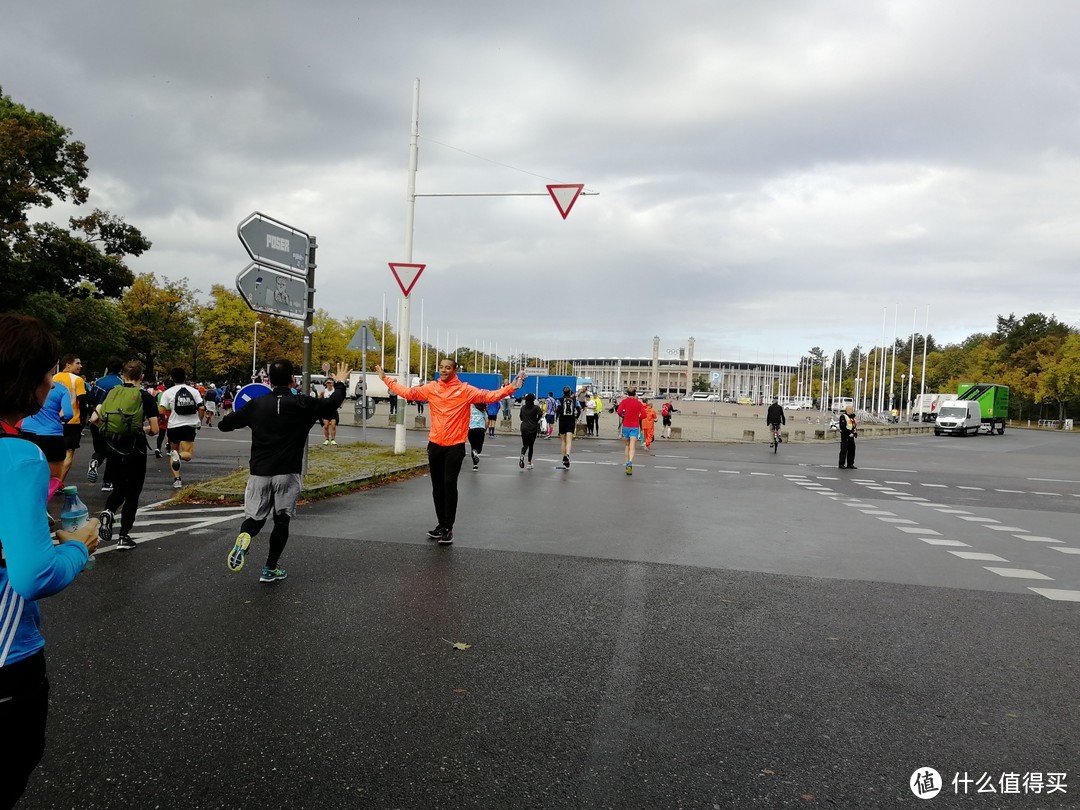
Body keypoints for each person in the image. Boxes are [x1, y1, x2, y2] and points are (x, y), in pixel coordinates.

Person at [0, 314, 99, 807]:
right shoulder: (17, 456)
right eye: (45, 372)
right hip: (6, 656)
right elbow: (33, 574)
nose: (49, 381)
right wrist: (79, 545)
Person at [220, 360, 351, 582]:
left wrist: (248, 418)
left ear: (268, 380)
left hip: (259, 472)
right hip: (287, 472)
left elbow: (225, 425)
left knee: (255, 518)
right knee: (281, 520)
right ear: (293, 379)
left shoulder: (257, 404)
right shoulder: (303, 403)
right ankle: (270, 568)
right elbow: (333, 403)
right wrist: (339, 383)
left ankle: (245, 535)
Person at [376, 358, 524, 545]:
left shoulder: (465, 390)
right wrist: (386, 379)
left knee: (448, 483)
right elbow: (409, 393)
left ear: (455, 370)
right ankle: (441, 525)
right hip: (435, 445)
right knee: (437, 488)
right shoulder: (431, 388)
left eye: (448, 368)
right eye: (441, 368)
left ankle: (448, 528)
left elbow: (490, 396)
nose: (444, 370)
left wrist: (512, 387)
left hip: (455, 446)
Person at [89, 360, 161, 551]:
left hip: (114, 447)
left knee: (118, 489)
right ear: (141, 377)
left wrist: (109, 430)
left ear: (123, 376)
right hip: (135, 449)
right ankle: (124, 536)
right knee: (133, 495)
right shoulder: (145, 396)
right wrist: (141, 429)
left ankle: (108, 511)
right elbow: (154, 429)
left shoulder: (112, 393)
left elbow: (94, 419)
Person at [18, 376, 73, 485]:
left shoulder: (26, 386)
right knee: (53, 478)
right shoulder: (61, 389)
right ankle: (45, 499)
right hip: (52, 435)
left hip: (27, 433)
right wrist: (60, 419)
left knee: (26, 473)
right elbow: (68, 414)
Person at [157, 367, 204, 489]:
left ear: (172, 378)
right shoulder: (194, 391)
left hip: (173, 425)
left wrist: (163, 418)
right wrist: (200, 420)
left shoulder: (168, 392)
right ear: (185, 377)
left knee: (174, 452)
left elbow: (161, 410)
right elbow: (202, 408)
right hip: (189, 425)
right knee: (187, 454)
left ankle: (177, 480)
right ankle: (180, 456)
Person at [52, 353, 89, 483]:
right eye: (77, 363)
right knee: (69, 452)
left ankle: (50, 480)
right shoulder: (77, 380)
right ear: (68, 364)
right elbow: (82, 401)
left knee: (54, 454)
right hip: (72, 420)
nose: (80, 366)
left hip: (54, 420)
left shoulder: (53, 378)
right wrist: (84, 419)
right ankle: (59, 482)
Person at [86, 357, 123, 484]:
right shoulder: (120, 383)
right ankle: (107, 482)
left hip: (96, 420)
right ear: (121, 369)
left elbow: (90, 399)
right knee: (113, 452)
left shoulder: (99, 382)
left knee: (100, 450)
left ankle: (95, 461)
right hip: (111, 421)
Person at [616, 389, 647, 475]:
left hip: (626, 425)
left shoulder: (624, 402)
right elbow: (644, 415)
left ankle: (626, 463)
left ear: (627, 393)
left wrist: (623, 416)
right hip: (634, 426)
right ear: (635, 394)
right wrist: (638, 418)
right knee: (632, 445)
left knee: (627, 445)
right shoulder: (638, 403)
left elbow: (618, 411)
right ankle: (630, 462)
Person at [555, 386, 581, 468]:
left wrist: (557, 418)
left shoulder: (559, 400)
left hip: (562, 421)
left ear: (563, 392)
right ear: (570, 393)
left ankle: (563, 457)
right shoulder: (574, 400)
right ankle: (567, 455)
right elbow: (579, 409)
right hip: (571, 420)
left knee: (563, 440)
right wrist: (576, 417)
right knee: (569, 440)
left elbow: (558, 409)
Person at [518, 393, 542, 469]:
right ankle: (529, 463)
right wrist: (536, 420)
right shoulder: (536, 408)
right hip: (533, 428)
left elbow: (521, 418)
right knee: (531, 446)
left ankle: (522, 456)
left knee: (525, 445)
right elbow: (540, 414)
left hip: (524, 427)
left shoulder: (523, 408)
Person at [321, 377, 340, 445]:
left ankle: (333, 440)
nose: (329, 384)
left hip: (333, 410)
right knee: (326, 426)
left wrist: (339, 405)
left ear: (333, 384)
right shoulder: (324, 391)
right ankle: (326, 439)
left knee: (333, 426)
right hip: (326, 411)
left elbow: (341, 399)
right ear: (326, 384)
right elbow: (319, 399)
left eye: (330, 383)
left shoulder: (335, 391)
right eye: (328, 383)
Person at [468, 403, 487, 470]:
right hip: (480, 429)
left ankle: (475, 465)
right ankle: (476, 452)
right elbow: (486, 420)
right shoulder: (482, 409)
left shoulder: (469, 407)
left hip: (471, 429)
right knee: (479, 447)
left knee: (473, 447)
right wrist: (485, 429)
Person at [839, 404, 858, 469]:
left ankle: (850, 464)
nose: (853, 410)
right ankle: (841, 464)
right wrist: (849, 432)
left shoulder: (852, 417)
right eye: (851, 409)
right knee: (844, 450)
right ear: (848, 410)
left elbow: (853, 426)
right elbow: (843, 427)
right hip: (845, 436)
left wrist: (854, 433)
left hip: (851, 436)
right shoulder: (843, 416)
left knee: (852, 450)